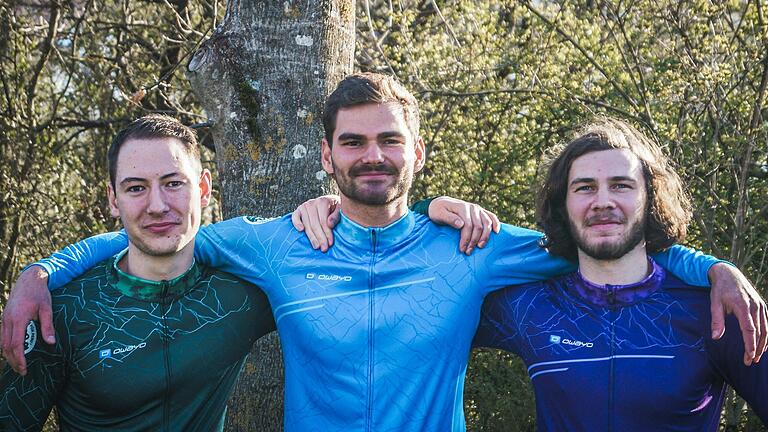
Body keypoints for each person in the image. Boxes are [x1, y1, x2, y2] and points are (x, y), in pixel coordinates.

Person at [1, 74, 764, 431]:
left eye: (389, 139)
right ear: (327, 156)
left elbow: (605, 241)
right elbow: (161, 230)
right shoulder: (276, 243)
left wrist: (713, 269)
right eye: (354, 141)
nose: (374, 155)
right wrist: (45, 270)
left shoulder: (474, 244)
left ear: (417, 152)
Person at [473, 118, 767, 430]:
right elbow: (424, 313)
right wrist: (428, 208)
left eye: (621, 185)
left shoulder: (719, 310)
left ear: (650, 199)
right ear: (563, 205)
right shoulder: (529, 307)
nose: (602, 202)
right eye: (585, 188)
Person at [0, 115, 276, 431]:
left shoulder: (241, 295)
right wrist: (37, 272)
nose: (157, 205)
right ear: (113, 200)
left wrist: (327, 208)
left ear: (203, 189)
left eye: (173, 183)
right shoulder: (61, 313)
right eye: (135, 188)